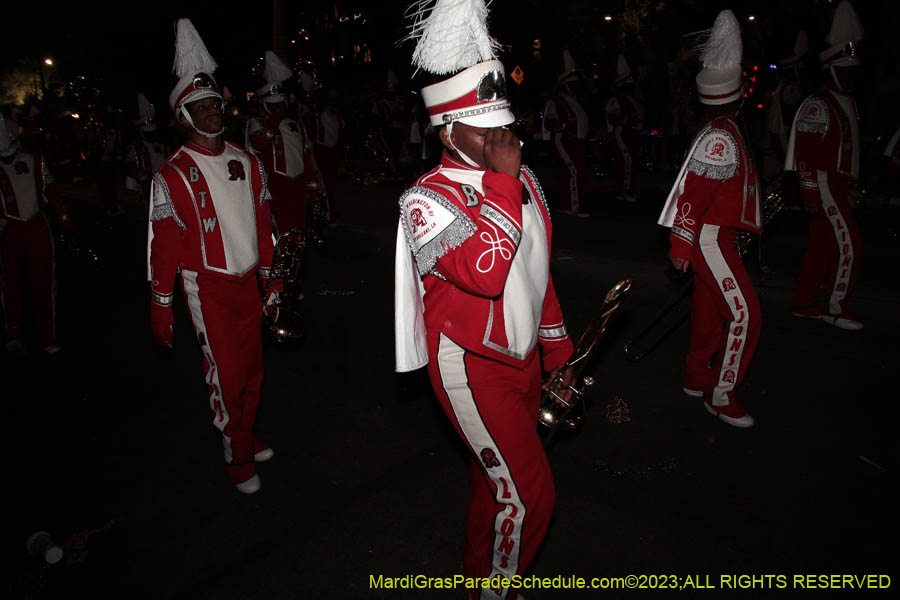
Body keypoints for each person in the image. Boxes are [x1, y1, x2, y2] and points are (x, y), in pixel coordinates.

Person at [395, 2, 574, 597]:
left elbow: (536, 274)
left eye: (505, 125)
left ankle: (478, 578)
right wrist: (501, 179)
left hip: (523, 358)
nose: (503, 138)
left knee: (495, 485)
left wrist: (558, 352)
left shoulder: (521, 181)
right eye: (485, 129)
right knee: (529, 495)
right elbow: (485, 273)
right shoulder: (425, 199)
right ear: (447, 132)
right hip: (469, 365)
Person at [147, 19, 279, 494]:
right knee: (226, 374)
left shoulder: (248, 160)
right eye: (200, 107)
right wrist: (161, 305)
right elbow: (163, 244)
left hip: (248, 283)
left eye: (215, 104)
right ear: (184, 116)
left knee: (253, 370)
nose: (212, 112)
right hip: (208, 288)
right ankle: (236, 455)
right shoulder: (171, 175)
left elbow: (263, 226)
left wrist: (274, 281)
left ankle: (245, 433)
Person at [658, 9, 762, 428]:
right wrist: (681, 246)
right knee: (744, 315)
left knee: (706, 311)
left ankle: (695, 376)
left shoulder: (720, 128)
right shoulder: (722, 133)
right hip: (709, 239)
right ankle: (720, 395)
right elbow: (693, 196)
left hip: (715, 236)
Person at [785, 1, 865, 331]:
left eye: (853, 70)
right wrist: (810, 194)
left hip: (838, 183)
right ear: (831, 70)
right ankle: (834, 306)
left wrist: (853, 184)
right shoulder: (818, 104)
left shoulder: (847, 101)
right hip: (824, 183)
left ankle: (804, 302)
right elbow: (805, 154)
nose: (850, 75)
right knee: (850, 245)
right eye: (844, 70)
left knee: (821, 247)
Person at [0, 116, 72, 357]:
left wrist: (62, 215)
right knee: (10, 284)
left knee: (44, 282)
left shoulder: (34, 160)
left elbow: (49, 189)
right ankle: (13, 334)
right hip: (7, 231)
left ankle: (47, 336)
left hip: (36, 226)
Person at [543, 50, 590, 217]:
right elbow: (549, 123)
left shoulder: (574, 100)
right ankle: (575, 207)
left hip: (574, 142)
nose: (576, 87)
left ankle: (566, 204)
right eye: (573, 84)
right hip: (563, 141)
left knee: (568, 172)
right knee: (574, 172)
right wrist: (563, 126)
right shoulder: (557, 101)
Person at [605, 54, 645, 203]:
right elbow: (614, 118)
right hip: (622, 134)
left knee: (630, 161)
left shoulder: (633, 99)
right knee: (628, 161)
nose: (631, 86)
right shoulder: (616, 100)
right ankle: (626, 190)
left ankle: (624, 190)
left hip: (632, 134)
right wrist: (628, 121)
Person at [124, 93, 172, 210]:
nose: (151, 135)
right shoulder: (136, 147)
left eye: (153, 133)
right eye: (148, 133)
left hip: (165, 181)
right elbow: (129, 165)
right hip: (148, 184)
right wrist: (140, 174)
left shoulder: (163, 144)